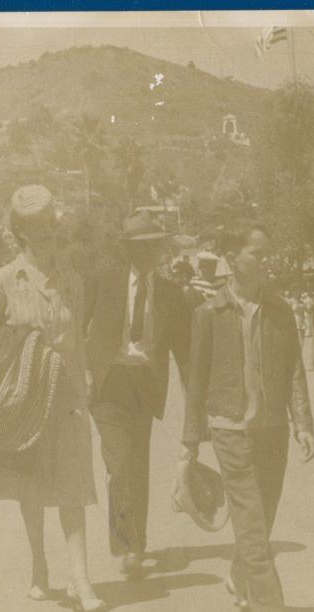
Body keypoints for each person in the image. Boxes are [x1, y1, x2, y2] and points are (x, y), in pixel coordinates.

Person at [182, 218, 314, 612]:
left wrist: (303, 423)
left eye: (266, 254)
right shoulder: (208, 314)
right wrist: (190, 441)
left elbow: (295, 368)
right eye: (257, 253)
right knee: (254, 524)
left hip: (273, 429)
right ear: (234, 258)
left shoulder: (280, 310)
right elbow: (196, 380)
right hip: (229, 429)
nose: (265, 261)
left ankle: (240, 575)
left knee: (265, 514)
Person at [0, 185, 104, 612]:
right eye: (38, 230)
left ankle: (81, 579)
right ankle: (39, 565)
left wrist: (84, 388)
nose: (48, 236)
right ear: (21, 233)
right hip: (26, 399)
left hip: (65, 398)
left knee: (73, 488)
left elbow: (78, 339)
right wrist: (22, 344)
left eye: (51, 228)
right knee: (31, 486)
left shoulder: (72, 280)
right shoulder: (5, 281)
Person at [84, 209, 191, 575]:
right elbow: (77, 326)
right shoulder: (102, 280)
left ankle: (136, 543)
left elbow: (184, 351)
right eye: (140, 247)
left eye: (154, 247)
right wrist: (82, 373)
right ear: (127, 250)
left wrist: (197, 404)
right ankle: (127, 546)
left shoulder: (172, 293)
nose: (148, 254)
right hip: (109, 383)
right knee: (121, 464)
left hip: (144, 385)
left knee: (138, 466)